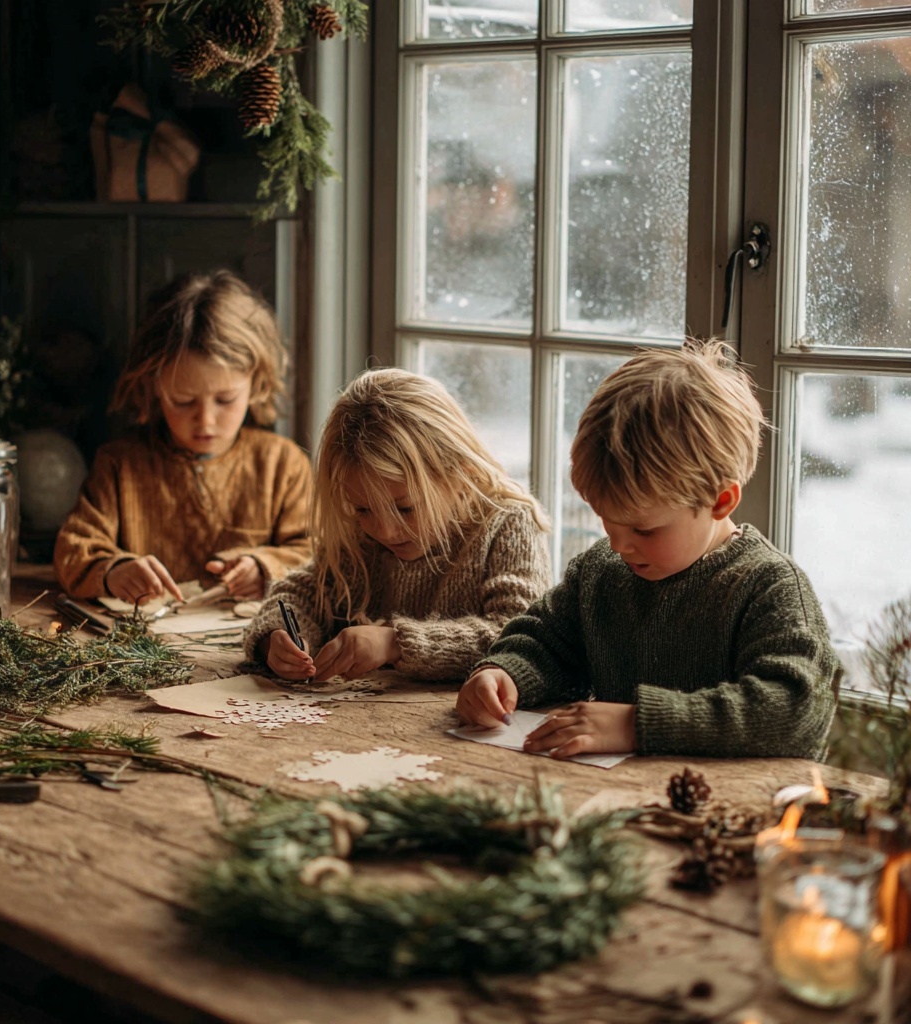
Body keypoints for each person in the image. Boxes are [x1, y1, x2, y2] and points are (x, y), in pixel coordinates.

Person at [456, 340, 840, 761]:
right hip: (615, 797)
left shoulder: (769, 585)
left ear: (720, 501)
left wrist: (637, 723)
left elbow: (796, 712)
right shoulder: (600, 570)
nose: (619, 545)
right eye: (605, 518)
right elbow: (546, 643)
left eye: (644, 528)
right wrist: (502, 672)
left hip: (732, 813)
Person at [242, 368, 552, 682]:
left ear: (463, 474)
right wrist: (278, 637)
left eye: (405, 508)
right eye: (363, 509)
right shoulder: (362, 536)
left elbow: (521, 638)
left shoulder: (509, 525)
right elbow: (298, 592)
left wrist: (395, 643)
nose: (385, 531)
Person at [53, 270, 313, 603]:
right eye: (184, 401)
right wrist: (114, 571)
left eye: (225, 400)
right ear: (153, 386)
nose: (205, 420)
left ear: (257, 382)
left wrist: (265, 567)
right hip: (141, 648)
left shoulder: (283, 465)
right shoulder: (120, 465)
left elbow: (317, 552)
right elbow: (72, 550)